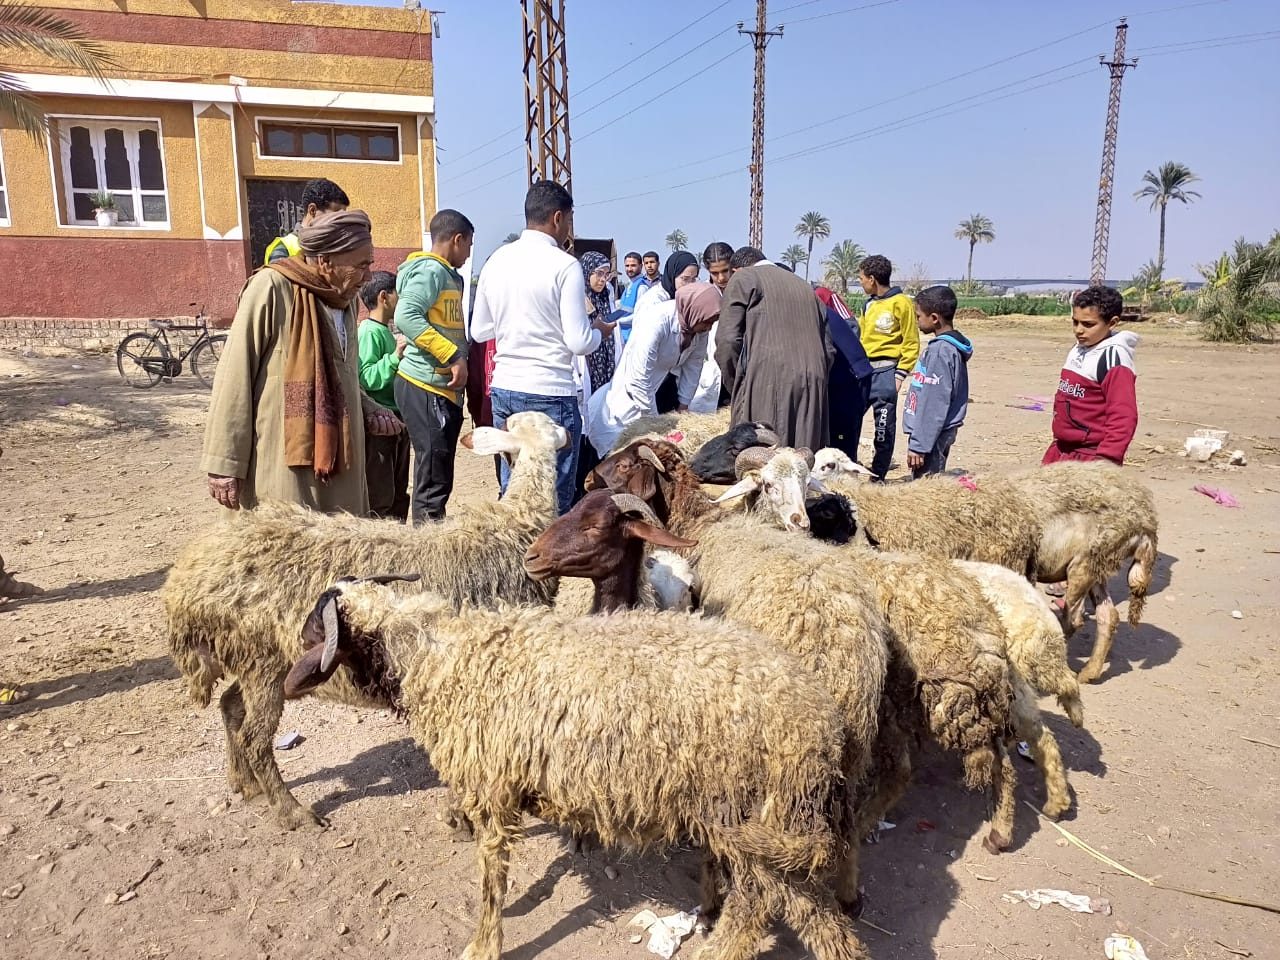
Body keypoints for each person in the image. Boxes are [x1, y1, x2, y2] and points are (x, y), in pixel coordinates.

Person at [204, 210, 402, 514]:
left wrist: (368, 406)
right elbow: (235, 374)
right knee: (284, 549)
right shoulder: (272, 287)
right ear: (326, 262)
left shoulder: (344, 302)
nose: (367, 278)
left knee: (341, 549)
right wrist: (224, 464)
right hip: (284, 463)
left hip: (343, 466)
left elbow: (343, 376)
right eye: (361, 266)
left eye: (369, 265)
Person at [469, 181, 602, 514]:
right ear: (558, 218)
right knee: (552, 498)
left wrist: (516, 325)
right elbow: (579, 341)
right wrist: (600, 331)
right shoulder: (564, 265)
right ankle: (545, 564)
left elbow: (480, 329)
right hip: (551, 391)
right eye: (569, 221)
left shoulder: (496, 261)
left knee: (512, 489)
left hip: (505, 388)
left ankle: (510, 561)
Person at [392, 209, 474, 522]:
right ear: (457, 239)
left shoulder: (448, 276)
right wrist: (452, 356)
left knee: (438, 472)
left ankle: (431, 537)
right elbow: (405, 316)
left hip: (440, 388)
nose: (468, 254)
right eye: (468, 245)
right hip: (424, 384)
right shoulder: (431, 272)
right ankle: (428, 553)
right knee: (432, 479)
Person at [716, 248, 834, 449]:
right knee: (805, 460)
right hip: (814, 383)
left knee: (762, 460)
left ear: (736, 270)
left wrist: (737, 383)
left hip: (766, 382)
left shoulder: (744, 278)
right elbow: (829, 350)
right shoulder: (805, 287)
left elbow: (727, 341)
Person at [587, 282, 723, 456]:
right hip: (626, 398)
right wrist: (655, 424)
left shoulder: (697, 326)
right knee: (618, 456)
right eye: (707, 322)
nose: (709, 327)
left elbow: (693, 367)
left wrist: (683, 407)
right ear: (696, 311)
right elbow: (638, 379)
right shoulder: (657, 321)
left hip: (653, 392)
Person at [1043, 284, 1138, 465]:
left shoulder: (1113, 358)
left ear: (1112, 322)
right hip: (1062, 451)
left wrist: (1107, 460)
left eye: (1088, 324)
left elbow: (1123, 416)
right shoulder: (1079, 348)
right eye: (1075, 322)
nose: (1078, 330)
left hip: (1090, 458)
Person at [857, 254, 920, 480]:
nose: (860, 282)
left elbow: (911, 342)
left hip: (887, 373)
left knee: (883, 428)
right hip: (864, 372)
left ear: (872, 279)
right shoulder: (868, 305)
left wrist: (900, 375)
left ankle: (878, 474)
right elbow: (862, 338)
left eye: (861, 278)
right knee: (851, 421)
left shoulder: (901, 303)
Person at [357, 271, 411, 521]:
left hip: (397, 419)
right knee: (382, 493)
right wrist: (394, 357)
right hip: (381, 425)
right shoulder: (369, 332)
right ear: (384, 297)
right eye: (397, 293)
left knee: (399, 489)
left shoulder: (385, 331)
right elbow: (366, 377)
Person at [902, 285, 972, 478]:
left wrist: (918, 445)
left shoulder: (940, 352)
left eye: (918, 316)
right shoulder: (948, 348)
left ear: (934, 318)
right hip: (935, 433)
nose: (916, 321)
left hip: (931, 435)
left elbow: (934, 402)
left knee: (925, 489)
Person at [573, 250, 624, 489]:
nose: (603, 280)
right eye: (598, 274)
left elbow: (616, 339)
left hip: (607, 371)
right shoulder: (576, 298)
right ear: (586, 273)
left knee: (604, 428)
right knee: (584, 435)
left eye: (607, 274)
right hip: (586, 370)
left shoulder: (607, 296)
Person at [816, 286, 873, 463]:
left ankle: (847, 481)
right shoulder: (808, 303)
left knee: (842, 439)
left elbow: (829, 350)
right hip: (846, 374)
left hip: (850, 376)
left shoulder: (815, 302)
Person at [647, 251, 702, 411]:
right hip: (648, 382)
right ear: (672, 275)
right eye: (685, 279)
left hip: (670, 379)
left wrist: (684, 402)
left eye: (694, 279)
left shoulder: (693, 306)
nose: (690, 285)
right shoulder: (654, 302)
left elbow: (695, 361)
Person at [264, 178, 350, 265]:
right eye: (335, 216)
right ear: (312, 210)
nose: (340, 222)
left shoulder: (333, 246)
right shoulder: (282, 250)